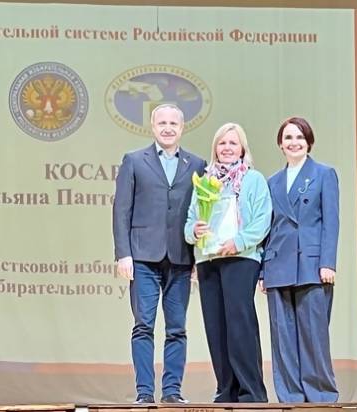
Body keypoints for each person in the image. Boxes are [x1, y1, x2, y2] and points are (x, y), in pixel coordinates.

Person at [113, 103, 207, 404]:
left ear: (182, 127)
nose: (168, 128)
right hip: (142, 257)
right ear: (152, 126)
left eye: (173, 124)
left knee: (177, 328)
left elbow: (202, 213)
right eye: (162, 123)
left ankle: (172, 392)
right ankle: (144, 393)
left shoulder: (197, 164)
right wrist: (123, 254)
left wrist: (199, 257)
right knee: (143, 326)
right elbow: (121, 210)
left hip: (181, 258)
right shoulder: (133, 161)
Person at [184, 123, 271, 403]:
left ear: (242, 148)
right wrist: (194, 230)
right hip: (208, 260)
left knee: (239, 324)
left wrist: (239, 241)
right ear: (215, 148)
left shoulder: (253, 179)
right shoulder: (204, 180)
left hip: (240, 258)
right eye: (222, 143)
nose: (227, 148)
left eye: (233, 143)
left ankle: (251, 393)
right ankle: (226, 391)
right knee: (216, 327)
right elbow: (190, 221)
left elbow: (262, 220)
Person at [260, 116, 340, 402]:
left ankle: (321, 397)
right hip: (278, 264)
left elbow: (331, 221)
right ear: (280, 144)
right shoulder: (273, 182)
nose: (294, 143)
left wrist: (327, 262)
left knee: (313, 335)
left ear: (309, 142)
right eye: (288, 138)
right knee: (282, 338)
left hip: (311, 264)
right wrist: (262, 272)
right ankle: (290, 397)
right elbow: (268, 228)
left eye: (299, 137)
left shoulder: (324, 174)